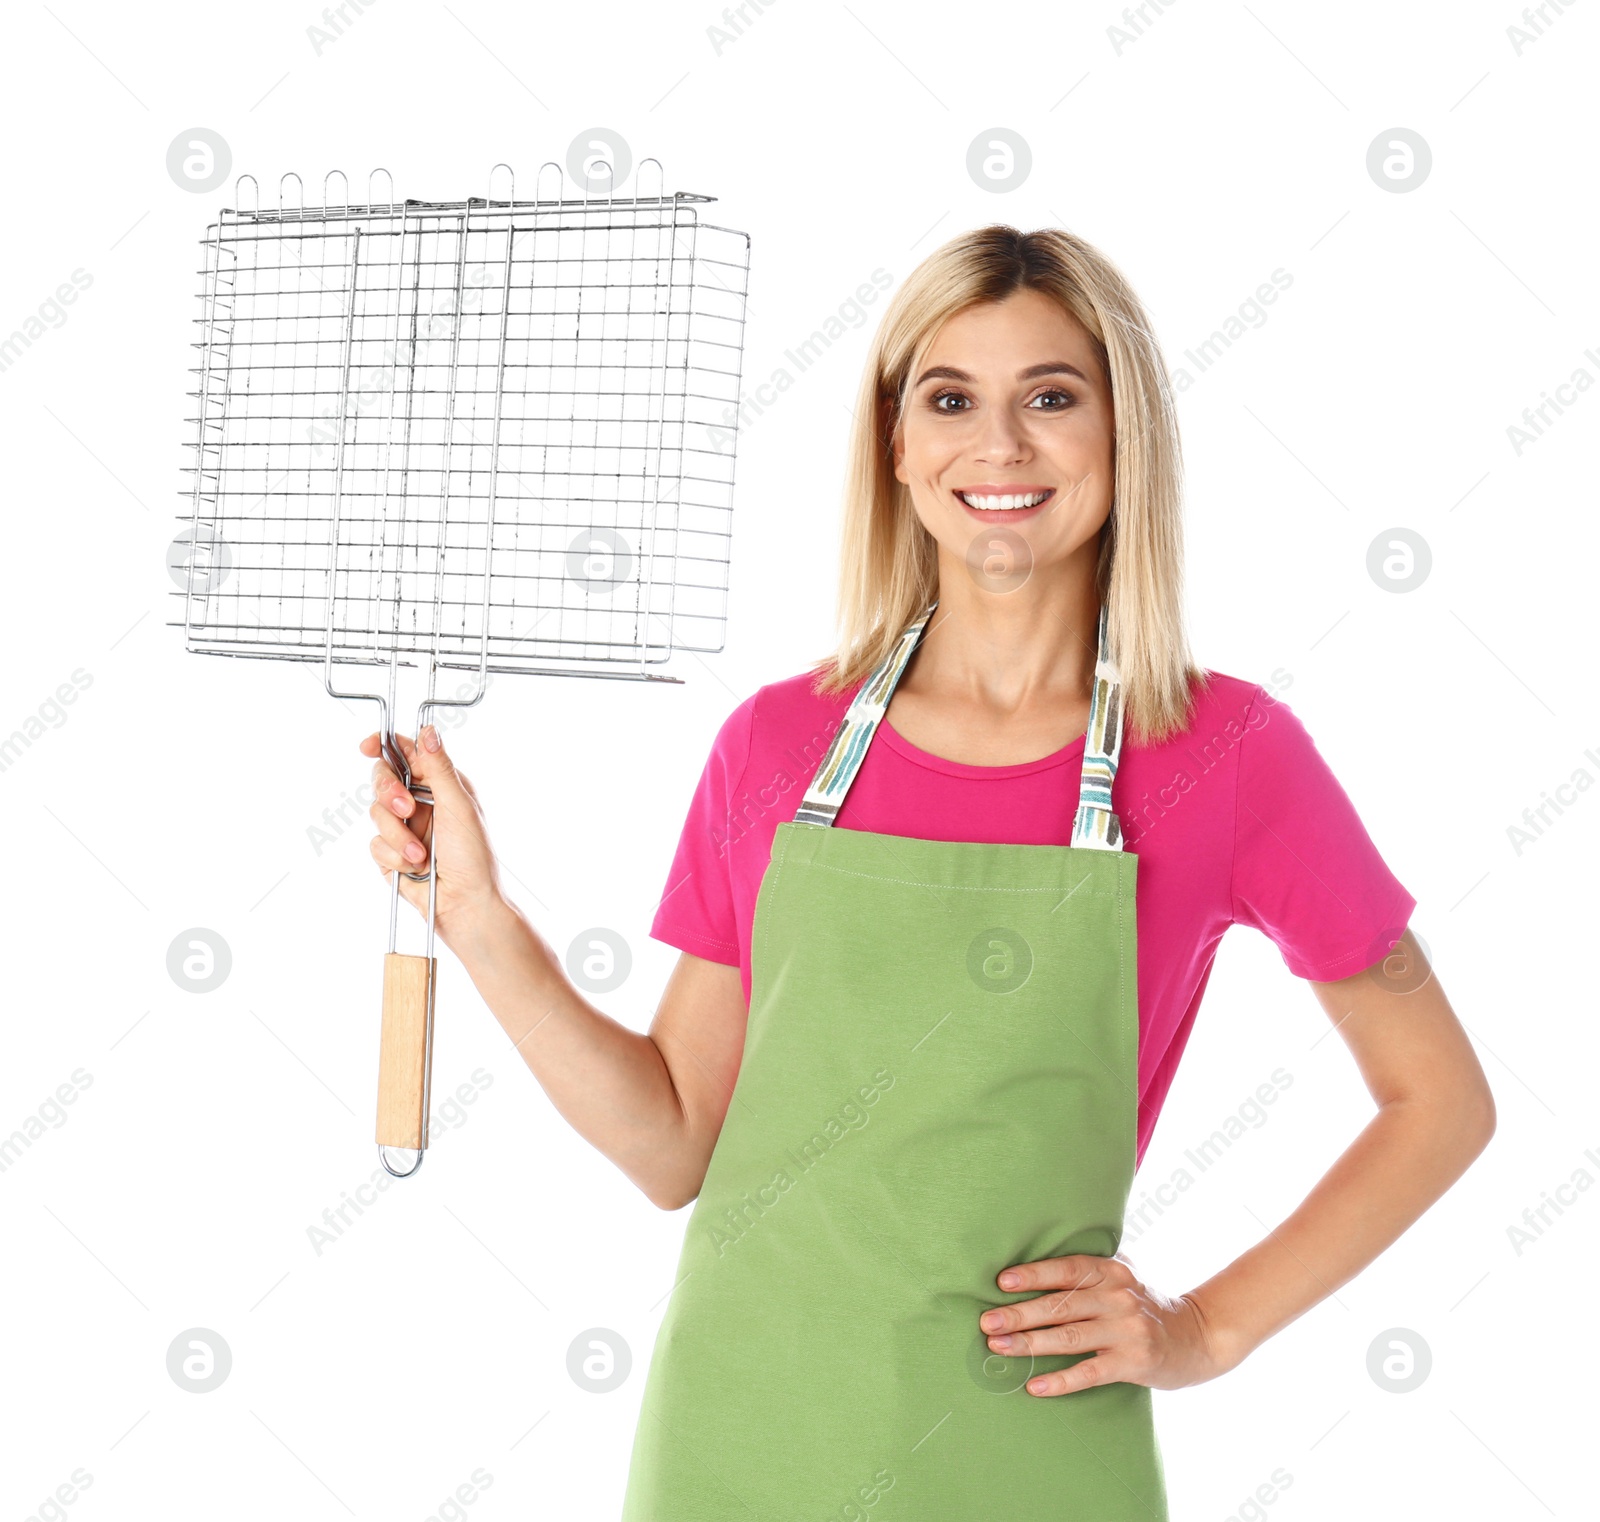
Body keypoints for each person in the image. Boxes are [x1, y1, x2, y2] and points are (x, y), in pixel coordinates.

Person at [361, 224, 1495, 1519]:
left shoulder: (1228, 755)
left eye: (1051, 398)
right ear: (897, 447)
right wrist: (478, 915)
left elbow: (1440, 1100)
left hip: (1032, 1449)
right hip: (742, 1433)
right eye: (950, 399)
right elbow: (675, 1140)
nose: (998, 446)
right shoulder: (777, 745)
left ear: (1125, 440)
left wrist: (1202, 1330)